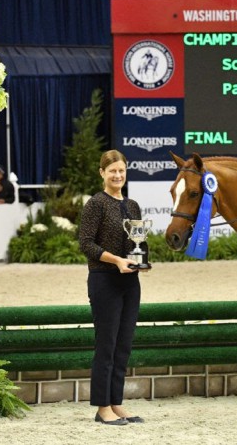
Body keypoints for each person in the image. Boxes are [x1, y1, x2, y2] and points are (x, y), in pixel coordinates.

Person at [78, 150, 149, 426]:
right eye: (112, 171)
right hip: (104, 279)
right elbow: (86, 244)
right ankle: (101, 407)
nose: (117, 175)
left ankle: (116, 403)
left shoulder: (132, 205)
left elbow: (138, 242)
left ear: (126, 172)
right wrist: (116, 260)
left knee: (123, 346)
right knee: (106, 346)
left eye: (121, 171)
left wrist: (140, 260)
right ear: (102, 174)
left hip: (130, 282)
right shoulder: (95, 204)